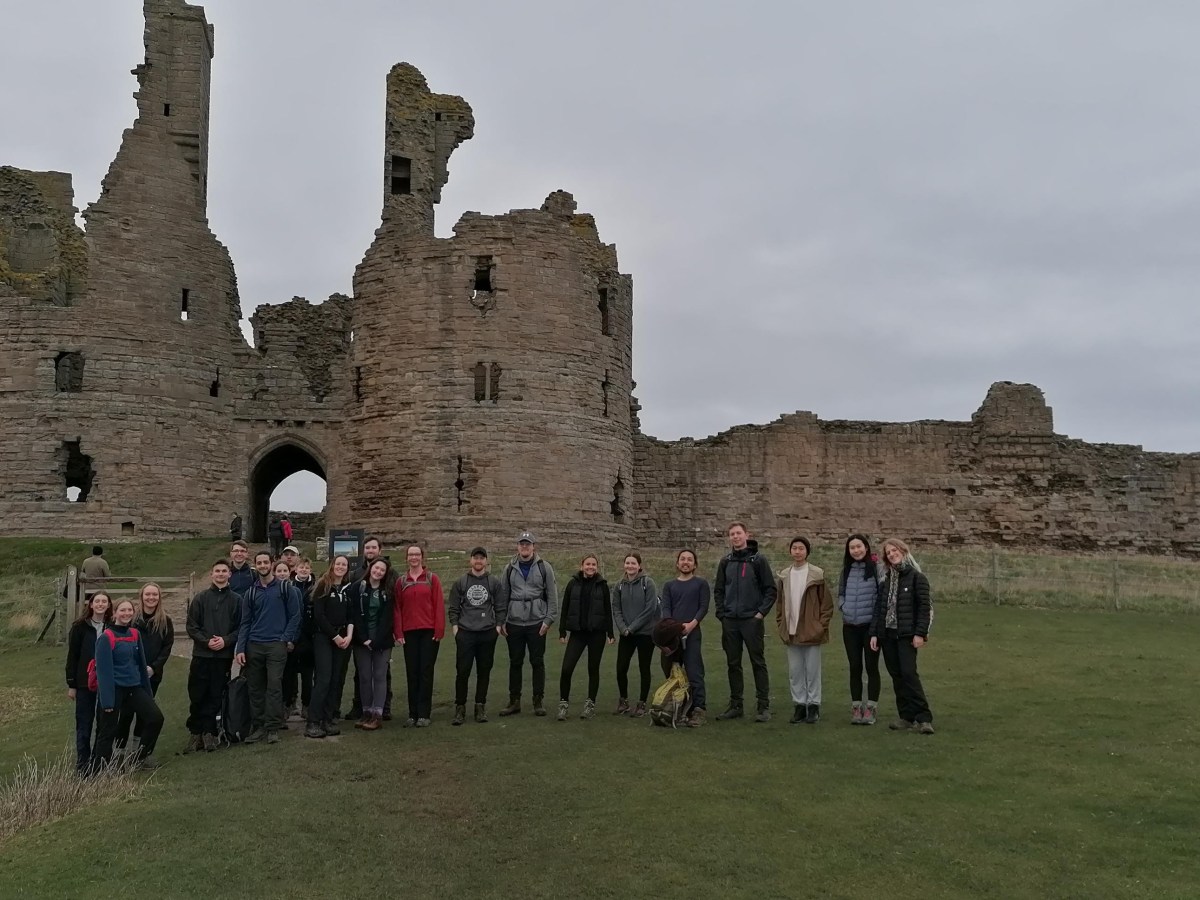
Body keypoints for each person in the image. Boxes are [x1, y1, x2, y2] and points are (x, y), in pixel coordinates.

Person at [870, 538, 935, 735]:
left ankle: (924, 718)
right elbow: (879, 609)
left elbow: (924, 608)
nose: (892, 554)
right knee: (897, 675)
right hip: (888, 634)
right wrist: (875, 633)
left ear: (903, 551)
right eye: (888, 553)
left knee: (908, 674)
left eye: (894, 550)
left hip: (907, 635)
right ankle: (906, 716)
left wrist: (920, 633)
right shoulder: (886, 580)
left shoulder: (917, 577)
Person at [713, 522, 777, 722]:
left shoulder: (758, 560)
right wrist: (722, 614)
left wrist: (760, 613)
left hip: (751, 619)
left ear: (747, 535)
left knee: (758, 662)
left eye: (738, 533)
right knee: (733, 663)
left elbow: (770, 590)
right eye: (732, 534)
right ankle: (736, 705)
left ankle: (763, 706)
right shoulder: (726, 562)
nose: (735, 537)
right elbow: (719, 590)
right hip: (730, 620)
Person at [91, 599, 165, 771]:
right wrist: (107, 701)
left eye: (129, 610)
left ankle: (139, 757)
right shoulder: (106, 637)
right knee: (107, 731)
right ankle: (99, 771)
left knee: (155, 718)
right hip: (114, 690)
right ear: (115, 613)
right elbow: (103, 672)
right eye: (122, 610)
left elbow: (140, 664)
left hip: (134, 688)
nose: (126, 614)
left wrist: (146, 691)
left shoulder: (134, 634)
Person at [235, 555, 302, 744]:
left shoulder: (284, 588)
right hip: (254, 645)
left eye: (266, 562)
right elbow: (245, 622)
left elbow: (295, 616)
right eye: (259, 563)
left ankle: (273, 727)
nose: (263, 565)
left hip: (275, 645)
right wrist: (240, 648)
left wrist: (285, 638)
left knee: (274, 686)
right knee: (255, 688)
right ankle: (258, 726)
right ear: (255, 566)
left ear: (271, 564)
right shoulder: (250, 592)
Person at [775, 537, 833, 725]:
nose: (797, 551)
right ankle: (799, 706)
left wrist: (820, 626)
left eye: (801, 548)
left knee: (812, 671)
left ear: (807, 552)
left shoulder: (817, 574)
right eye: (794, 548)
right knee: (795, 672)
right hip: (791, 631)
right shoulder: (784, 575)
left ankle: (813, 706)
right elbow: (780, 604)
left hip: (811, 631)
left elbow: (826, 605)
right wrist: (781, 624)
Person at [499, 532, 558, 717]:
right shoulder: (509, 568)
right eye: (522, 544)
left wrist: (548, 620)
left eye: (528, 544)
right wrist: (501, 620)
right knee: (515, 662)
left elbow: (552, 596)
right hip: (514, 622)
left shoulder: (544, 567)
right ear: (518, 547)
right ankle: (514, 701)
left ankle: (538, 700)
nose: (525, 547)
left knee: (537, 662)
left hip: (536, 622)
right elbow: (503, 596)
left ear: (534, 547)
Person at [185, 560, 241, 752]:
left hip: (222, 657)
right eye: (217, 571)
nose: (220, 574)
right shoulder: (200, 599)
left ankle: (210, 732)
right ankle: (195, 732)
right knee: (197, 693)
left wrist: (225, 641)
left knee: (215, 694)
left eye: (224, 571)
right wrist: (206, 641)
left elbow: (240, 628)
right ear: (212, 574)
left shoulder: (236, 600)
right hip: (202, 654)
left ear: (229, 574)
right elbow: (192, 626)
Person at [448, 547, 507, 725]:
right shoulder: (461, 582)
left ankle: (480, 707)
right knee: (463, 672)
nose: (479, 561)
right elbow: (453, 608)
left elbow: (500, 606)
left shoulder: (493, 582)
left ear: (486, 561)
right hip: (465, 633)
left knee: (484, 671)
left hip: (487, 634)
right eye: (476, 558)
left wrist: (497, 627)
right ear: (471, 560)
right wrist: (455, 628)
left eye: (482, 558)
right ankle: (460, 708)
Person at [116, 582, 175, 748]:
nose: (151, 598)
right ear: (141, 597)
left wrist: (154, 667)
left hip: (152, 675)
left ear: (159, 597)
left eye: (154, 595)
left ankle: (138, 750)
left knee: (145, 713)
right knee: (126, 713)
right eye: (147, 594)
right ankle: (119, 751)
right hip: (130, 675)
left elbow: (167, 647)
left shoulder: (165, 621)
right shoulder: (132, 620)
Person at [557, 555, 614, 721]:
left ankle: (590, 705)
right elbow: (565, 607)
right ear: (582, 566)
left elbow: (607, 610)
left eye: (593, 564)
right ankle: (563, 704)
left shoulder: (602, 585)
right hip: (578, 633)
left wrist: (610, 633)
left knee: (593, 669)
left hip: (597, 634)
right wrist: (562, 631)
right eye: (588, 564)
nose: (591, 567)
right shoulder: (572, 584)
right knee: (567, 668)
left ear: (597, 567)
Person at [346, 536, 396, 721]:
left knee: (381, 675)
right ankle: (365, 711)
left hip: (382, 639)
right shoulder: (357, 585)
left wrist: (378, 639)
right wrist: (363, 637)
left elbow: (389, 616)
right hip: (362, 638)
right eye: (376, 568)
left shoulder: (389, 588)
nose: (378, 571)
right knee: (364, 676)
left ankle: (379, 712)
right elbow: (353, 612)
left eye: (382, 569)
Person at [395, 545, 445, 727]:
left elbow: (439, 604)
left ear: (422, 558)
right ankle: (412, 713)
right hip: (409, 632)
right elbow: (397, 609)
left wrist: (439, 630)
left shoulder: (432, 579)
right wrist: (398, 632)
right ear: (407, 558)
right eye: (411, 554)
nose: (414, 557)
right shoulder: (401, 581)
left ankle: (424, 713)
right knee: (412, 672)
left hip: (428, 632)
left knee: (425, 671)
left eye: (417, 554)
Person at [659, 549, 710, 727]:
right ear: (677, 563)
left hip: (692, 633)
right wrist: (673, 627)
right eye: (682, 559)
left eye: (689, 560)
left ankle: (699, 709)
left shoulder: (701, 584)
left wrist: (691, 624)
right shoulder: (669, 586)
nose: (685, 562)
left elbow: (703, 607)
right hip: (673, 635)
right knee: (673, 672)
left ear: (694, 564)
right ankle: (677, 707)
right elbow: (666, 608)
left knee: (694, 671)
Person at [307, 555, 355, 738]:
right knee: (324, 679)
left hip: (343, 638)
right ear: (332, 565)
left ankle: (327, 719)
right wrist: (334, 636)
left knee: (336, 679)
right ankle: (313, 721)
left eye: (344, 564)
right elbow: (319, 615)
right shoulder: (323, 585)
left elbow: (351, 616)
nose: (341, 567)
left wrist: (348, 636)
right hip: (324, 637)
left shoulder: (348, 588)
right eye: (338, 564)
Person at [65, 591, 111, 773]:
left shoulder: (111, 627)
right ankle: (83, 764)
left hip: (106, 683)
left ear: (108, 605)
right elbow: (73, 657)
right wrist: (72, 684)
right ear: (91, 605)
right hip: (85, 682)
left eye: (104, 601)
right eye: (97, 601)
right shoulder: (79, 627)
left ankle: (98, 761)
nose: (100, 604)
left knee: (103, 722)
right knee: (84, 723)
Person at [839, 534, 881, 725]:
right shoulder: (846, 570)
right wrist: (844, 607)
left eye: (859, 546)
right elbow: (840, 592)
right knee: (855, 667)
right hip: (850, 627)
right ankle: (856, 707)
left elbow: (881, 598)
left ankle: (871, 708)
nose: (856, 550)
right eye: (852, 547)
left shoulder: (876, 569)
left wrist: (876, 625)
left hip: (870, 628)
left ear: (866, 547)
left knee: (871, 667)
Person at [611, 552, 659, 717]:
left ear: (639, 566)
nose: (630, 566)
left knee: (644, 668)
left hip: (645, 634)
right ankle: (623, 701)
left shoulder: (648, 583)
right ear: (624, 565)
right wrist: (624, 628)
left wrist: (632, 627)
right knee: (620, 668)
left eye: (633, 563)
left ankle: (641, 704)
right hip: (626, 634)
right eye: (627, 563)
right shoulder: (619, 585)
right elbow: (616, 609)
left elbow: (650, 609)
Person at [283, 557, 317, 721]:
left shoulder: (315, 585)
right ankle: (290, 703)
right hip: (293, 636)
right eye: (301, 567)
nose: (303, 570)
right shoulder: (289, 586)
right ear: (295, 569)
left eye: (306, 567)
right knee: (289, 673)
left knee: (307, 674)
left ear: (310, 569)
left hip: (309, 637)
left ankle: (307, 705)